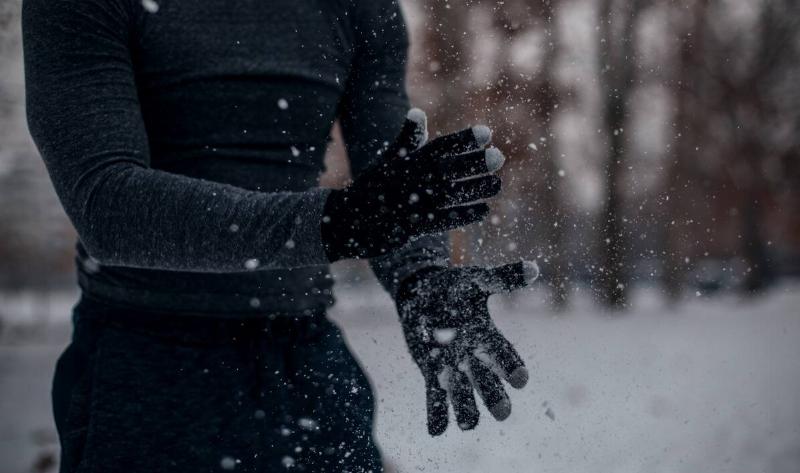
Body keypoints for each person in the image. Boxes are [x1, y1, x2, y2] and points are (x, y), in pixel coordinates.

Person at [22, 0, 538, 471]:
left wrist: (419, 276)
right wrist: (331, 223)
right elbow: (107, 205)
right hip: (143, 371)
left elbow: (392, 183)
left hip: (303, 361)